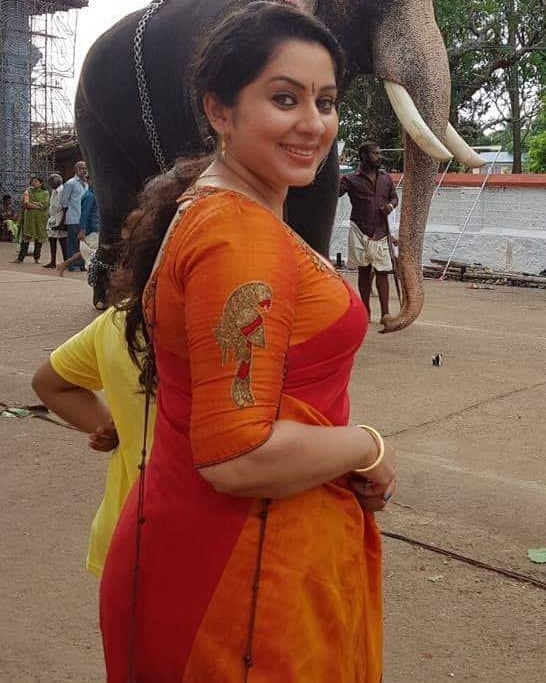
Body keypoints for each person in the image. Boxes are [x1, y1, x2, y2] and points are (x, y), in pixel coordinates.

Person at [99, 3, 395, 681]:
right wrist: (368, 447)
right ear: (219, 111)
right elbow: (238, 455)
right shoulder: (239, 235)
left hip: (212, 554)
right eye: (284, 98)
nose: (313, 123)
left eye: (325, 101)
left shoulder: (217, 209)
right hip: (240, 584)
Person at [31, 306, 156, 578]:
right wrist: (117, 427)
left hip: (124, 533)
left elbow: (49, 382)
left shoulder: (119, 321)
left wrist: (119, 427)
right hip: (215, 547)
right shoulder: (232, 330)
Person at [339, 141, 399, 323]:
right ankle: (365, 312)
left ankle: (385, 313)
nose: (379, 157)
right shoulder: (350, 180)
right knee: (364, 271)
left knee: (383, 271)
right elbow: (334, 192)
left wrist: (390, 206)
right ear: (364, 156)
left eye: (379, 153)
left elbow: (394, 198)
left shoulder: (386, 179)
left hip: (381, 231)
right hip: (360, 230)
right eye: (375, 153)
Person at [58, 160, 88, 271]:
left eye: (85, 168)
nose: (84, 171)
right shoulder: (70, 183)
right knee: (73, 243)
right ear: (76, 170)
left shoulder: (87, 184)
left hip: (85, 219)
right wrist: (63, 219)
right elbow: (64, 202)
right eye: (81, 168)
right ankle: (73, 265)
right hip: (73, 218)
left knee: (84, 244)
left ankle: (82, 264)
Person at [12, 176, 49, 263]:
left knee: (39, 238)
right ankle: (20, 258)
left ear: (41, 183)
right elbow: (26, 204)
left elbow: (45, 205)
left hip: (41, 219)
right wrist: (38, 206)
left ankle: (37, 258)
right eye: (33, 181)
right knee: (26, 237)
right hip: (29, 218)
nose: (34, 183)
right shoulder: (28, 191)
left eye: (36, 181)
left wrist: (33, 205)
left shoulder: (45, 193)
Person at [42, 173, 67, 268]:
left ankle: (66, 262)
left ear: (57, 182)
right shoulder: (53, 191)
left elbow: (65, 208)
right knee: (52, 239)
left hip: (60, 217)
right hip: (52, 218)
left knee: (63, 241)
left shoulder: (63, 191)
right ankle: (52, 262)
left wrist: (62, 222)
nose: (50, 184)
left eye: (51, 182)